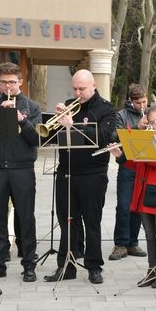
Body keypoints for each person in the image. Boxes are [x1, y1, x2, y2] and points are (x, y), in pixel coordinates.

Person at [44, 70, 117, 284]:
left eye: (82, 89)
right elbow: (52, 137)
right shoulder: (69, 105)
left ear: (93, 85)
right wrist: (56, 120)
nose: (77, 93)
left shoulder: (106, 109)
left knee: (92, 222)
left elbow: (103, 137)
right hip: (66, 172)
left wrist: (73, 125)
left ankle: (94, 266)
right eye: (74, 88)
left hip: (93, 174)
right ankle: (66, 266)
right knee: (67, 221)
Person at [0, 62, 42, 283]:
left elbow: (36, 139)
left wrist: (22, 120)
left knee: (26, 217)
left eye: (12, 82)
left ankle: (29, 264)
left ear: (20, 82)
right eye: (3, 82)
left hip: (22, 168)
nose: (8, 87)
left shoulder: (32, 107)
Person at [109, 105, 156, 288]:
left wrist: (141, 146)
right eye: (152, 122)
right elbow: (138, 164)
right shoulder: (150, 138)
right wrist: (121, 156)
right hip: (146, 190)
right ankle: (152, 270)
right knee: (149, 233)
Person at [109, 84, 149, 261]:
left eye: (144, 102)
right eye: (138, 103)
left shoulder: (149, 114)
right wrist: (136, 127)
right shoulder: (121, 115)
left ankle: (132, 242)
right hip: (127, 165)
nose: (142, 106)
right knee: (124, 205)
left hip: (144, 165)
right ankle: (120, 244)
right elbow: (115, 136)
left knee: (138, 207)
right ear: (131, 101)